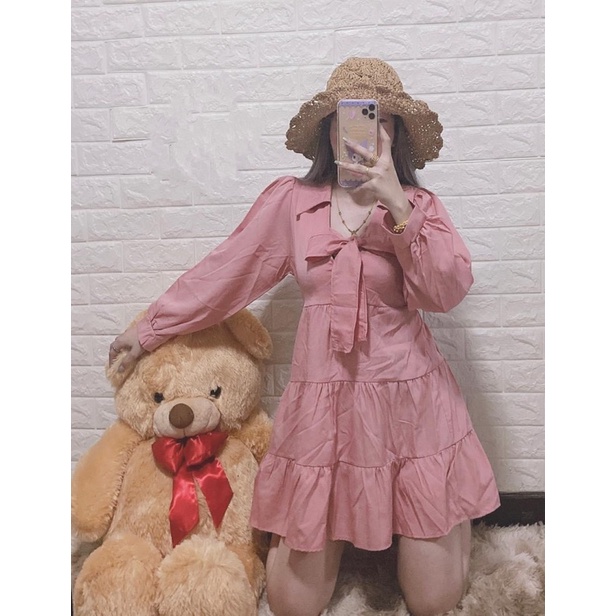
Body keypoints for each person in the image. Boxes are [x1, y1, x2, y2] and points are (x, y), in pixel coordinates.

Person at [108, 58, 500, 616]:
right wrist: (150, 328)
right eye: (352, 117)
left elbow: (446, 290)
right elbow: (228, 272)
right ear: (330, 130)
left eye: (381, 119)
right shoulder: (292, 203)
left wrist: (397, 203)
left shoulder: (420, 208)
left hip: (412, 409)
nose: (367, 131)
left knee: (434, 602)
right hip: (324, 411)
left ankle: (435, 513)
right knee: (292, 603)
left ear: (396, 135)